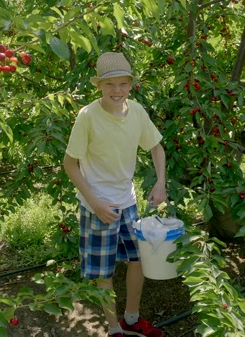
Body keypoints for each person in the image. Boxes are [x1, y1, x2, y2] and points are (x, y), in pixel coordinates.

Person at [63, 52, 167, 337]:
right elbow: (69, 164)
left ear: (131, 85)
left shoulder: (137, 111)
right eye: (110, 84)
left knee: (140, 260)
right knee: (104, 272)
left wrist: (160, 183)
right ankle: (113, 330)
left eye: (123, 84)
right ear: (99, 86)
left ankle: (131, 320)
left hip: (128, 202)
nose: (117, 91)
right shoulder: (87, 117)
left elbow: (156, 147)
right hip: (98, 205)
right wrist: (94, 203)